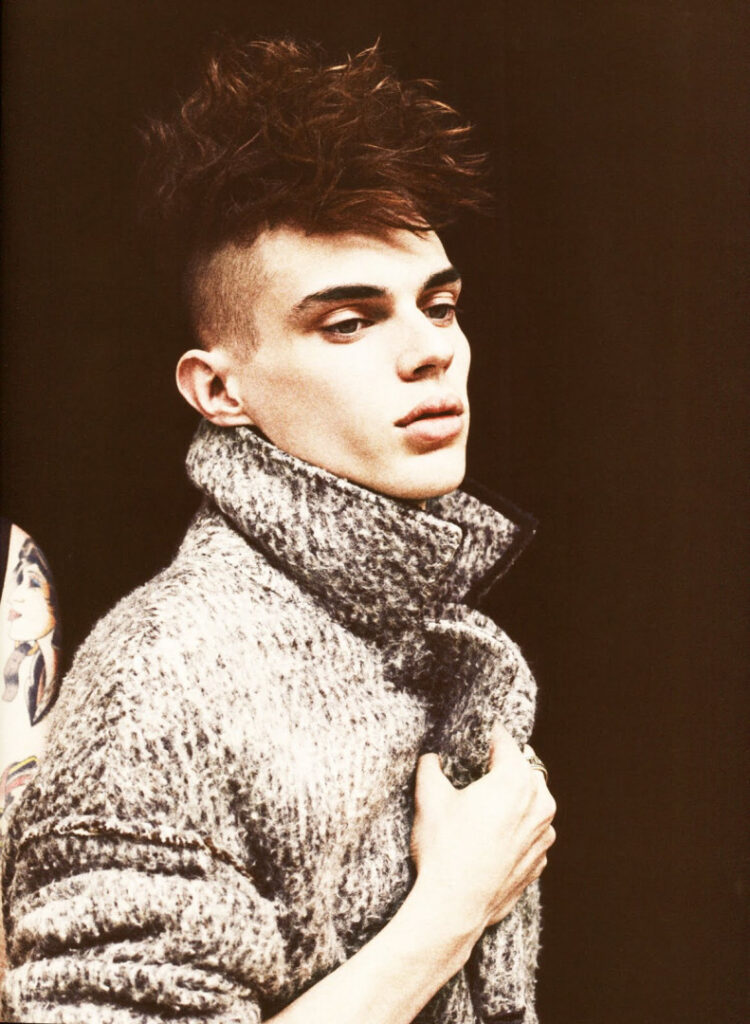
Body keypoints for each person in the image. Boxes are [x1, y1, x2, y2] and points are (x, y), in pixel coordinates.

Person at [1, 39, 556, 1023]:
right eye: (348, 323)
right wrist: (451, 911)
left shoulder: (437, 636)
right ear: (219, 390)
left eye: (440, 306)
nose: (430, 352)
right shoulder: (166, 678)